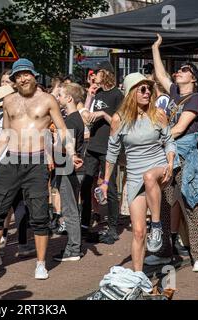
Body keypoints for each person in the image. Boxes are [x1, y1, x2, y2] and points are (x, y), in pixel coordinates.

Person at [0, 58, 82, 279]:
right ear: (13, 80)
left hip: (37, 162)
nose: (23, 78)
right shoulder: (9, 101)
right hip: (11, 160)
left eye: (27, 74)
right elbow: (5, 133)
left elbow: (61, 130)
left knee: (40, 214)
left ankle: (40, 264)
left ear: (34, 75)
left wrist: (72, 153)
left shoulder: (48, 100)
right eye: (18, 75)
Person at [100, 73, 175, 271]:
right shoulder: (119, 119)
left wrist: (170, 163)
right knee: (139, 232)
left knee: (149, 177)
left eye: (149, 89)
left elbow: (169, 142)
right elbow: (112, 153)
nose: (147, 92)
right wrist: (105, 182)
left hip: (159, 166)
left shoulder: (158, 114)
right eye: (142, 89)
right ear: (131, 92)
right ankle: (137, 275)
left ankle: (157, 227)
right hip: (134, 175)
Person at [150, 34, 198, 272]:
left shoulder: (195, 99)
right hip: (168, 153)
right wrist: (155, 48)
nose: (178, 72)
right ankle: (165, 252)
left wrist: (155, 138)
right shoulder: (174, 92)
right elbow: (161, 73)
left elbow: (180, 128)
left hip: (185, 155)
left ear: (193, 77)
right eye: (179, 69)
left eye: (184, 70)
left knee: (191, 204)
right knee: (164, 204)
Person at [81, 60, 123, 243]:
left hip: (108, 147)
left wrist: (103, 115)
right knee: (86, 184)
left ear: (105, 73)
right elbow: (85, 115)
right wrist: (89, 97)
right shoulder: (96, 93)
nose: (93, 76)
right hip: (93, 146)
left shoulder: (116, 95)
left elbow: (120, 122)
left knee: (111, 187)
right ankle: (84, 223)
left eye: (96, 73)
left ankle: (113, 227)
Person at [53, 83, 86, 261]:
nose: (58, 99)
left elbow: (66, 147)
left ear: (69, 98)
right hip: (67, 167)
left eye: (60, 95)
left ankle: (73, 249)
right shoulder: (73, 118)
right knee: (71, 207)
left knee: (69, 208)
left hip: (66, 167)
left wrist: (49, 144)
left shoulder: (72, 121)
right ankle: (74, 246)